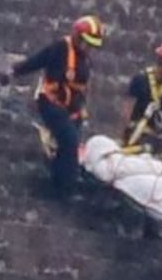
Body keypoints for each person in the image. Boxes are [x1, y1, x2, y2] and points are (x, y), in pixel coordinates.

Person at [11, 14, 106, 198]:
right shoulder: (61, 48)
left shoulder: (85, 59)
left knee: (69, 147)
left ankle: (58, 181)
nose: (88, 47)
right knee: (70, 141)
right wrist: (14, 71)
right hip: (51, 105)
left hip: (73, 110)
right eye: (85, 42)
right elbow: (38, 61)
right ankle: (66, 189)